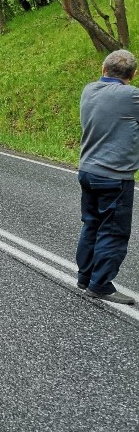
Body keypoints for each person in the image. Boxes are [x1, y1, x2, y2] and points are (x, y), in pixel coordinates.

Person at [76, 49, 139, 305]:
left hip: (87, 171)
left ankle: (85, 276)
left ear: (103, 69)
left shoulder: (89, 90)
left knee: (91, 223)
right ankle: (100, 284)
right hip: (115, 176)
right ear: (133, 75)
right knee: (113, 231)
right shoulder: (132, 96)